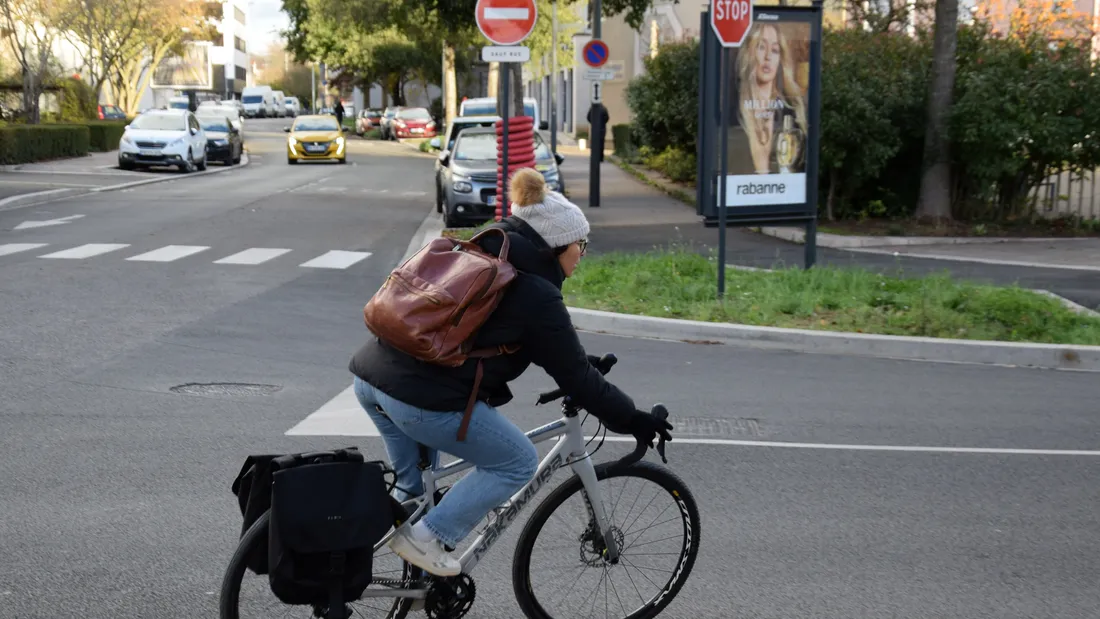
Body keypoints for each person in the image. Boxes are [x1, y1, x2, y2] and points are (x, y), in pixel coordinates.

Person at [348, 168, 672, 577]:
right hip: (421, 400)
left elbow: (505, 336)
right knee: (516, 462)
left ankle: (358, 573)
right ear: (556, 246)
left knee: (412, 494)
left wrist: (578, 361)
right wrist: (633, 419)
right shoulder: (536, 293)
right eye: (581, 245)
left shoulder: (489, 250)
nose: (582, 254)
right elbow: (575, 377)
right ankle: (427, 539)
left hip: (372, 377)